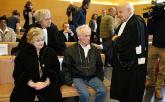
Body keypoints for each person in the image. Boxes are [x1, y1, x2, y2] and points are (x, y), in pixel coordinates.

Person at [94, 2, 147, 102]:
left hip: (132, 66)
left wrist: (115, 40)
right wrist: (102, 46)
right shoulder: (125, 22)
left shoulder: (135, 22)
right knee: (124, 91)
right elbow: (115, 38)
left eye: (120, 12)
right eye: (118, 12)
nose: (118, 15)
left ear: (130, 10)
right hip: (124, 65)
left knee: (131, 93)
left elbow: (124, 42)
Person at [10, 27, 62, 102]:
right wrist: (32, 84)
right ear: (31, 41)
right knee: (19, 97)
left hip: (46, 83)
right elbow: (18, 73)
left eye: (42, 40)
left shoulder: (50, 52)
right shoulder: (23, 54)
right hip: (28, 84)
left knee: (54, 96)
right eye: (37, 41)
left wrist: (47, 82)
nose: (41, 42)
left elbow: (56, 70)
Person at [62, 25, 106, 102]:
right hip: (78, 77)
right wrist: (69, 82)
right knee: (85, 94)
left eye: (89, 35)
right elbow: (66, 67)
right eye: (86, 36)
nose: (88, 38)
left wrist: (100, 78)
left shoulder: (94, 49)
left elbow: (99, 65)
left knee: (102, 91)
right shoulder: (70, 50)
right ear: (79, 37)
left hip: (93, 77)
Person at [145, 13, 165, 99]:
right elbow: (150, 31)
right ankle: (151, 81)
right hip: (154, 46)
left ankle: (158, 88)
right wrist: (150, 19)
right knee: (149, 66)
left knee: (162, 70)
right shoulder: (157, 16)